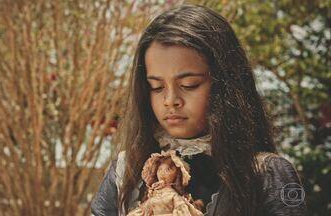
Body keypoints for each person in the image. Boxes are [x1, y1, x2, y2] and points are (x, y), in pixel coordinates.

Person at [91, 4, 307, 216]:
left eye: (189, 85)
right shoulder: (126, 170)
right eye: (156, 87)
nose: (170, 100)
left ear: (226, 85)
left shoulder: (265, 174)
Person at [127, 150, 203, 216]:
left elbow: (181, 210)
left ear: (177, 174)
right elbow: (145, 209)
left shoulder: (174, 196)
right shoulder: (154, 193)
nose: (162, 173)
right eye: (160, 169)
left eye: (168, 169)